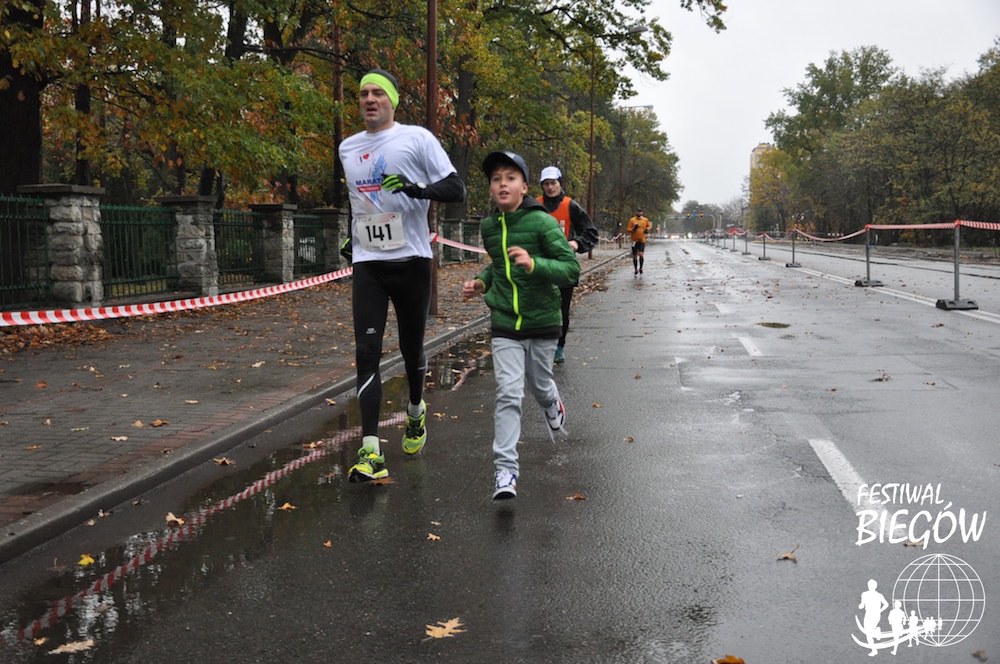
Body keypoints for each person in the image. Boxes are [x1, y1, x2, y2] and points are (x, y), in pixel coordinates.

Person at [338, 68, 466, 482]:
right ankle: (371, 451)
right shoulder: (347, 148)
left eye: (378, 93)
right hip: (369, 265)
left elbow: (457, 189)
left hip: (411, 261)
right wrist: (354, 237)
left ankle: (415, 409)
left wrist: (416, 189)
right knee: (366, 352)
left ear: (392, 100)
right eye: (363, 93)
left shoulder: (417, 139)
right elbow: (360, 202)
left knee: (412, 351)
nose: (369, 99)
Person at [462, 151, 580, 500]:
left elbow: (570, 270)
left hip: (543, 321)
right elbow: (498, 266)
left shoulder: (542, 222)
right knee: (509, 393)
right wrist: (481, 282)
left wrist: (534, 264)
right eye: (496, 179)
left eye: (510, 178)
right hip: (504, 323)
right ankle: (505, 471)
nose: (502, 184)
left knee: (540, 384)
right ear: (490, 188)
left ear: (524, 187)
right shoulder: (489, 227)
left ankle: (552, 403)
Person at [537, 165, 598, 364]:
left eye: (553, 183)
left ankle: (559, 347)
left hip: (564, 266)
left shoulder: (570, 205)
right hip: (539, 265)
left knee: (561, 309)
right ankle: (541, 345)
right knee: (539, 307)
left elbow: (590, 232)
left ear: (560, 184)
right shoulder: (534, 205)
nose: (550, 187)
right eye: (546, 184)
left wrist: (577, 243)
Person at [627, 208, 652, 275]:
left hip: (642, 240)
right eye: (638, 212)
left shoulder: (645, 219)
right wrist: (633, 228)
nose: (639, 213)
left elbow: (649, 226)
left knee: (641, 254)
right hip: (634, 240)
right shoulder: (632, 220)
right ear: (636, 212)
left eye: (640, 212)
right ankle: (635, 269)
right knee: (635, 255)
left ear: (642, 213)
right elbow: (628, 229)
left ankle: (641, 268)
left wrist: (647, 229)